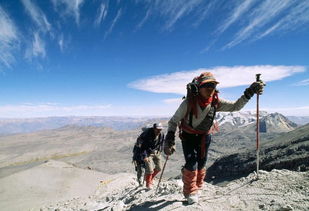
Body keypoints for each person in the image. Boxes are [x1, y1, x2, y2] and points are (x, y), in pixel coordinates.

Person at [164, 72, 264, 204]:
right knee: (191, 162)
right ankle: (190, 191)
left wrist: (249, 92)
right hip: (189, 137)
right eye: (207, 85)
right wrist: (170, 139)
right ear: (198, 88)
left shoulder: (215, 101)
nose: (210, 89)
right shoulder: (188, 103)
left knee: (202, 162)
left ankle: (198, 186)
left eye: (213, 85)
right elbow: (174, 121)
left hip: (205, 136)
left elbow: (236, 106)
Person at [135, 123, 165, 189]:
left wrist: (161, 150)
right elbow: (142, 147)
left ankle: (151, 178)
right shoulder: (147, 135)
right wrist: (145, 156)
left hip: (156, 152)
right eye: (157, 129)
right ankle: (148, 184)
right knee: (150, 169)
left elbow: (162, 142)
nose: (159, 131)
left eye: (160, 129)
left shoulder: (161, 134)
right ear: (154, 129)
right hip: (147, 153)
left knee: (159, 167)